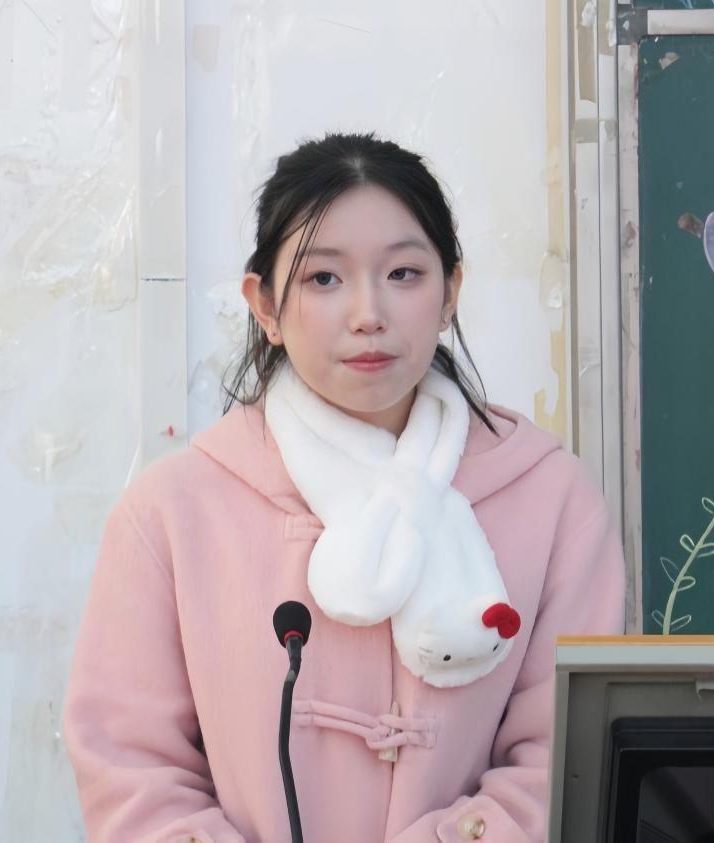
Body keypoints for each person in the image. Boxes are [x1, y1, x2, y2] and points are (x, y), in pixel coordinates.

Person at [63, 131, 624, 842]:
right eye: (323, 278)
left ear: (450, 292)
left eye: (404, 274)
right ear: (264, 305)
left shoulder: (552, 499)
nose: (368, 314)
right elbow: (131, 769)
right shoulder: (171, 512)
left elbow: (567, 759)